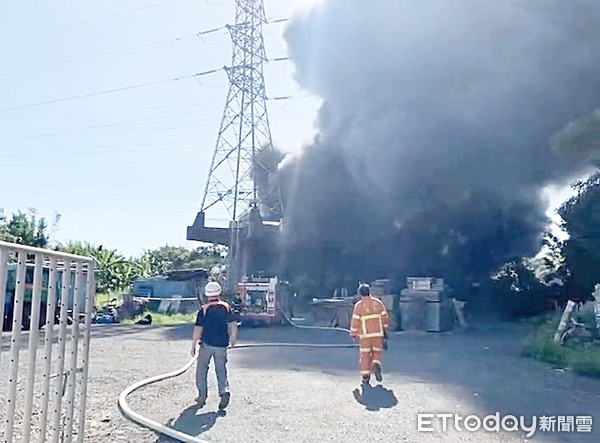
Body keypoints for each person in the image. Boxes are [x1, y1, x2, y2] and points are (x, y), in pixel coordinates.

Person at [191, 281, 238, 410]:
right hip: (222, 345)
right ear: (219, 292)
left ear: (207, 295)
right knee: (221, 369)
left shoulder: (204, 310)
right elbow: (233, 325)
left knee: (201, 370)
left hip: (206, 345)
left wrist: (193, 345)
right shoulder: (226, 307)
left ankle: (202, 397)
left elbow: (198, 329)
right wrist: (233, 339)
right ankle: (224, 391)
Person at [349, 283, 389, 385]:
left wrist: (353, 334)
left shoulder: (359, 306)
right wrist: (385, 331)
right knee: (377, 352)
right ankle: (376, 363)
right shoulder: (378, 303)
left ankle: (366, 377)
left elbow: (355, 321)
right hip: (378, 334)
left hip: (365, 336)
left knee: (365, 355)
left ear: (360, 293)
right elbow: (385, 318)